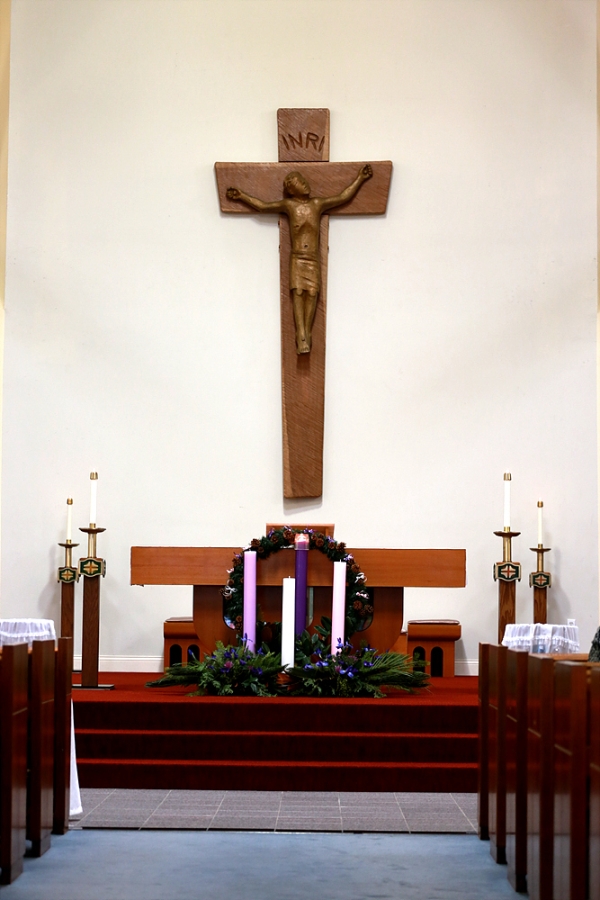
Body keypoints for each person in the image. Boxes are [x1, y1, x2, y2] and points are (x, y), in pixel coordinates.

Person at [227, 164, 373, 354]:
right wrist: (242, 196)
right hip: (297, 258)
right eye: (299, 182)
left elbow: (342, 197)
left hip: (312, 258)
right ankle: (301, 335)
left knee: (312, 293)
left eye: (304, 181)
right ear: (291, 189)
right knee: (298, 292)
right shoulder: (289, 206)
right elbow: (263, 206)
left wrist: (360, 178)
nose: (304, 184)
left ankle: (308, 333)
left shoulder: (317, 204)